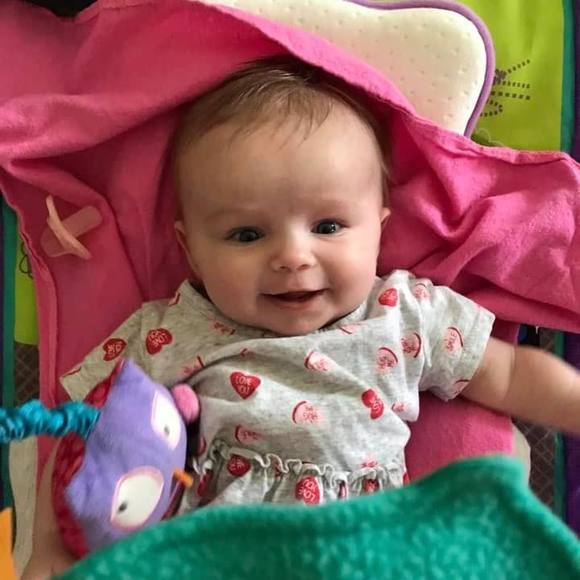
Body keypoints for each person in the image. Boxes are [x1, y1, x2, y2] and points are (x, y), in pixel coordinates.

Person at [24, 56, 580, 578]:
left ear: (380, 229)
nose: (293, 256)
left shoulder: (404, 314)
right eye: (247, 234)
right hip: (215, 553)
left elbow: (510, 372)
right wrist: (48, 551)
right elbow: (86, 435)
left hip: (364, 550)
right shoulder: (170, 330)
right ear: (191, 250)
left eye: (328, 227)